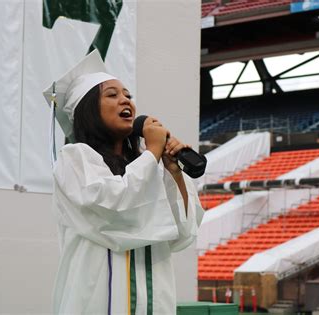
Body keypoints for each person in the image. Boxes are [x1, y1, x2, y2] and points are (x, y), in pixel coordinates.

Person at [43, 50, 204, 315]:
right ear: (88, 110)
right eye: (112, 95)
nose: (125, 100)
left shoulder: (146, 167)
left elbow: (183, 233)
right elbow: (113, 209)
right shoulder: (74, 158)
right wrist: (152, 153)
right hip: (95, 301)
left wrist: (173, 171)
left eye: (128, 95)